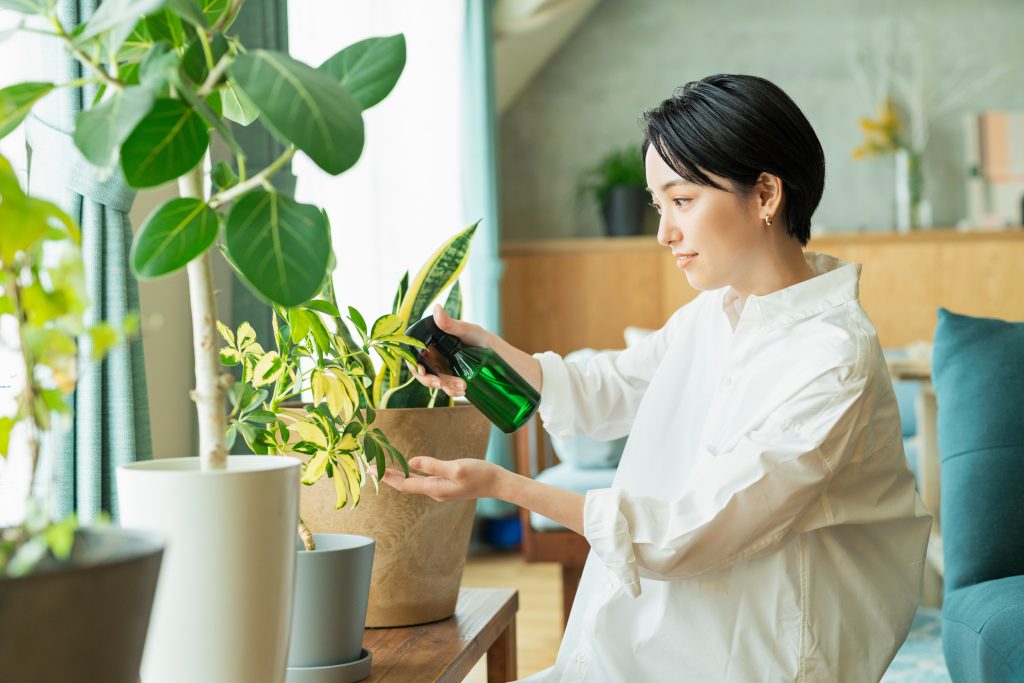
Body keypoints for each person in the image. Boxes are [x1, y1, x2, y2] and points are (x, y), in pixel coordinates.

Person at [382, 74, 931, 682]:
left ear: (766, 194)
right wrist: (488, 354)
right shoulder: (717, 312)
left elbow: (690, 531)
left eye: (683, 201)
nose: (665, 232)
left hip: (758, 659)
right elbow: (607, 390)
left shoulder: (833, 357)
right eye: (658, 206)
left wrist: (504, 485)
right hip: (661, 642)